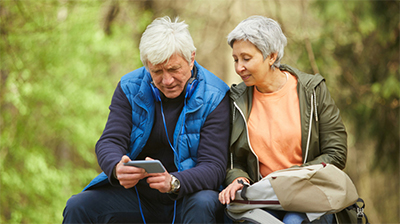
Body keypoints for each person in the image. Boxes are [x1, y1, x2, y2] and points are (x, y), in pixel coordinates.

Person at [63, 16, 230, 224]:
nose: (167, 80)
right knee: (78, 206)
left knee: (204, 202)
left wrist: (174, 182)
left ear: (191, 58)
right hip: (138, 197)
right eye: (157, 72)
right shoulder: (129, 87)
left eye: (174, 69)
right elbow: (109, 141)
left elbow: (214, 167)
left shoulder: (216, 95)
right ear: (147, 66)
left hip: (188, 195)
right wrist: (117, 168)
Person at [218, 15, 347, 224]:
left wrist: (287, 179)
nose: (239, 67)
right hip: (261, 200)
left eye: (246, 58)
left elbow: (336, 153)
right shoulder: (236, 100)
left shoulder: (313, 91)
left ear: (271, 56)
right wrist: (238, 180)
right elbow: (235, 160)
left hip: (308, 194)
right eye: (235, 59)